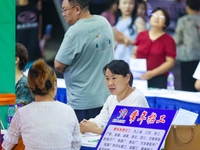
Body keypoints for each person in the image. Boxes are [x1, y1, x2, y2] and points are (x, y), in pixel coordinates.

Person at [54, 0, 115, 122]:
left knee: (84, 139)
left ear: (77, 9)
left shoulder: (75, 31)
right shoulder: (103, 21)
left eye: (65, 10)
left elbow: (58, 65)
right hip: (107, 96)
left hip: (83, 101)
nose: (63, 14)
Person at [2, 59, 81, 150]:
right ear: (54, 86)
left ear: (31, 89)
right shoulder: (68, 110)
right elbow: (76, 145)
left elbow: (6, 147)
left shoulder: (22, 113)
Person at [79, 60, 149, 134]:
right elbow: (101, 119)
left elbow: (126, 129)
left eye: (114, 78)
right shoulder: (111, 98)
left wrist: (94, 130)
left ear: (127, 78)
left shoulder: (136, 98)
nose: (110, 83)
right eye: (107, 79)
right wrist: (88, 124)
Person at [131, 7, 176, 89]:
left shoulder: (169, 40)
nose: (157, 17)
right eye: (154, 15)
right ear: (150, 18)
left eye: (161, 17)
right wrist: (133, 70)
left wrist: (151, 73)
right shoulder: (141, 35)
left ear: (165, 23)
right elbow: (134, 54)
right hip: (138, 78)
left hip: (158, 79)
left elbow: (170, 62)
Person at [173, 0, 200, 92]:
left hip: (186, 56)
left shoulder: (183, 21)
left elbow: (176, 39)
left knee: (187, 86)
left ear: (187, 6)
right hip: (199, 58)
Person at [16, 0, 42, 69]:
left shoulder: (36, 11)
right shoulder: (13, 12)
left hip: (35, 55)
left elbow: (39, 31)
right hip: (19, 57)